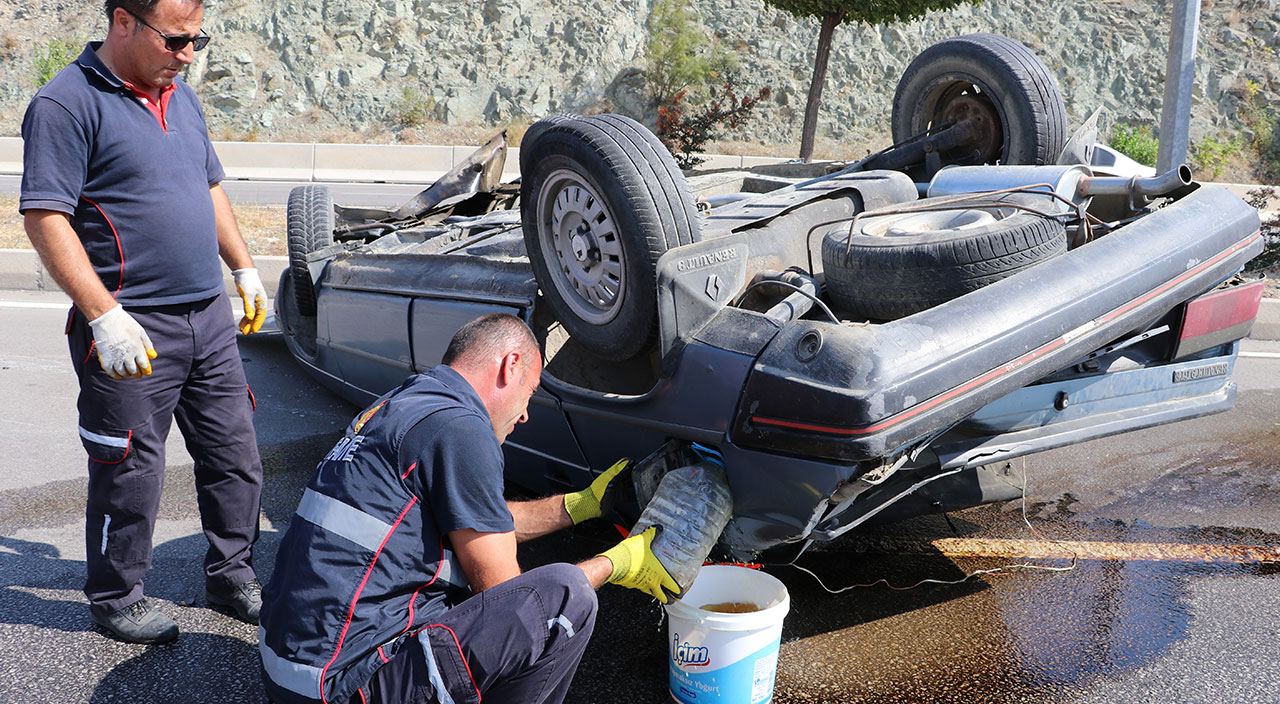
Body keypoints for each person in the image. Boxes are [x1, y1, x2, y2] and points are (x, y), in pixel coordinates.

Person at [260, 313, 678, 704]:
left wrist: (583, 505)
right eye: (530, 391)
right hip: (345, 686)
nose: (527, 413)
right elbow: (511, 602)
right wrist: (615, 564)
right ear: (510, 365)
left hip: (293, 671)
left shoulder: (408, 404)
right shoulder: (461, 428)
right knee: (565, 598)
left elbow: (479, 519)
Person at [19, 0, 269, 644]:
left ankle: (232, 571)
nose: (188, 56)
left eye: (198, 40)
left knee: (235, 454)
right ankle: (115, 597)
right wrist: (103, 315)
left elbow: (209, 186)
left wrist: (242, 268)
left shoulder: (179, 96)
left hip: (207, 318)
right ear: (123, 21)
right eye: (177, 40)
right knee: (130, 468)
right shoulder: (65, 103)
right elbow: (46, 218)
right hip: (132, 325)